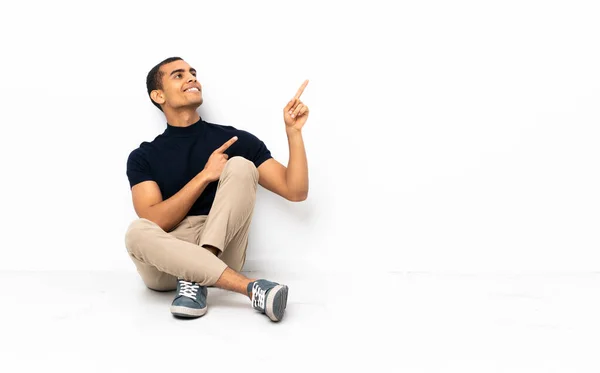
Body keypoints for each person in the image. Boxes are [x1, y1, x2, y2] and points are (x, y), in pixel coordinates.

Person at [124, 57, 309, 322]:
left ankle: (195, 278)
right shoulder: (143, 156)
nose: (191, 78)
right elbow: (156, 220)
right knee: (136, 231)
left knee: (242, 166)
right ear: (158, 95)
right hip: (168, 262)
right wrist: (205, 176)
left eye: (193, 73)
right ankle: (250, 287)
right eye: (178, 75)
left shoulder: (235, 140)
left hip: (223, 250)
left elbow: (296, 191)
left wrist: (293, 132)